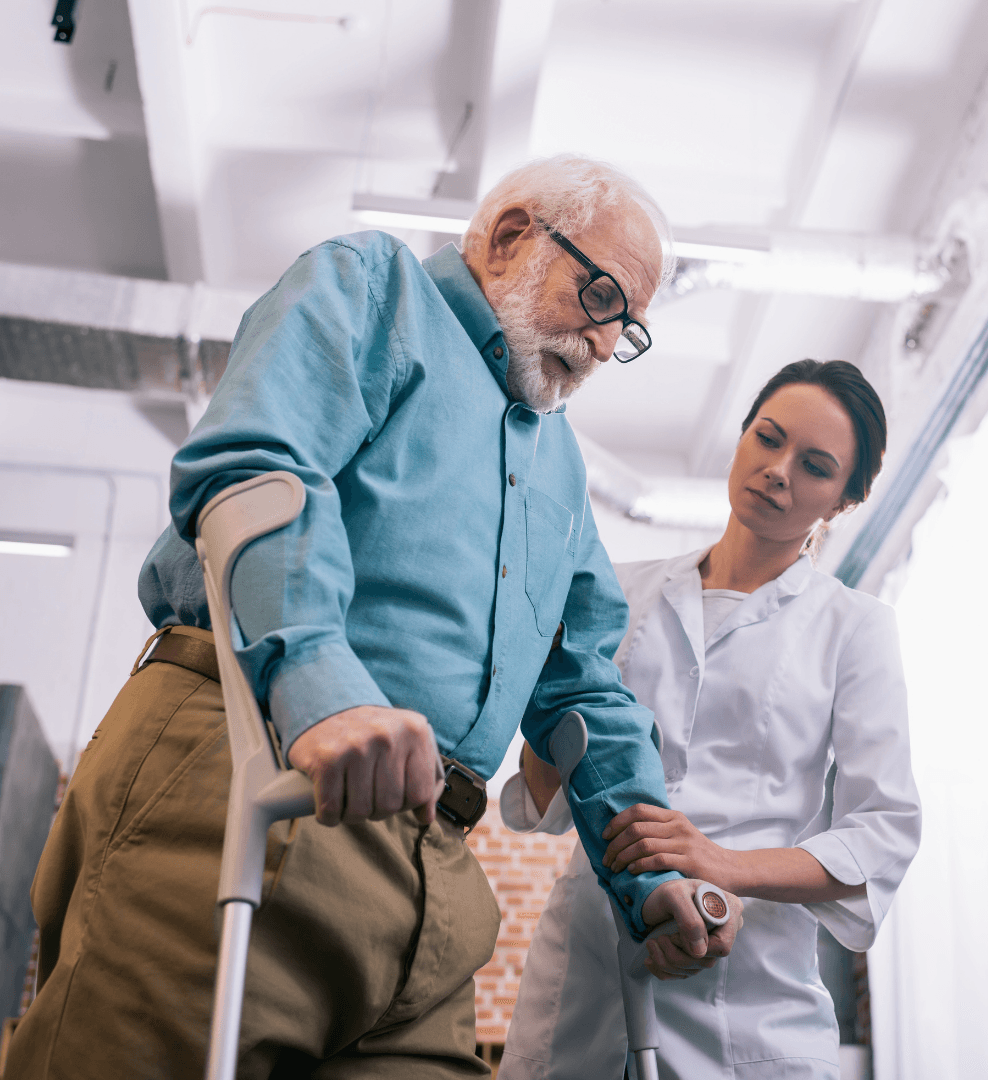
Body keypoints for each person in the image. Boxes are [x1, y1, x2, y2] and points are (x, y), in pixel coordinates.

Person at [6, 156, 743, 1080]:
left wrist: (651, 873)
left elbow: (584, 689)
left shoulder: (560, 471)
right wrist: (325, 693)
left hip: (437, 882)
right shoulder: (375, 289)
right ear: (510, 237)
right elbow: (259, 471)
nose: (602, 344)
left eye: (625, 329)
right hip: (249, 776)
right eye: (600, 297)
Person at [500, 360, 922, 1080]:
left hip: (750, 996)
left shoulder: (854, 627)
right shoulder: (618, 593)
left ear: (844, 501)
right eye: (769, 438)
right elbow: (546, 792)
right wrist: (546, 673)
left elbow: (883, 831)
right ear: (742, 436)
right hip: (587, 969)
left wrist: (721, 863)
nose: (778, 470)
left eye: (815, 466)